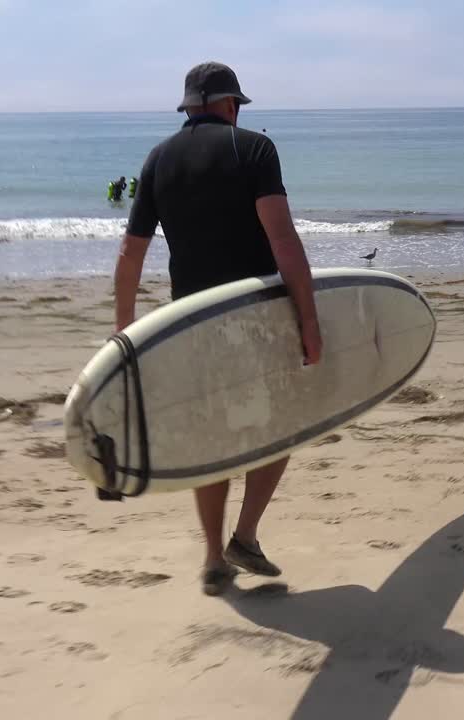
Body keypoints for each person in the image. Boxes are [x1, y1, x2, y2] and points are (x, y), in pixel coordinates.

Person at [113, 61, 323, 597]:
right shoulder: (252, 149)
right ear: (231, 105)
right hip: (255, 314)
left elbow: (130, 255)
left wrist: (126, 338)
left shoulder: (159, 159)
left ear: (189, 108)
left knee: (214, 434)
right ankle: (245, 537)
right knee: (283, 425)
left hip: (191, 320)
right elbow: (282, 239)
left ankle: (213, 558)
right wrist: (309, 317)